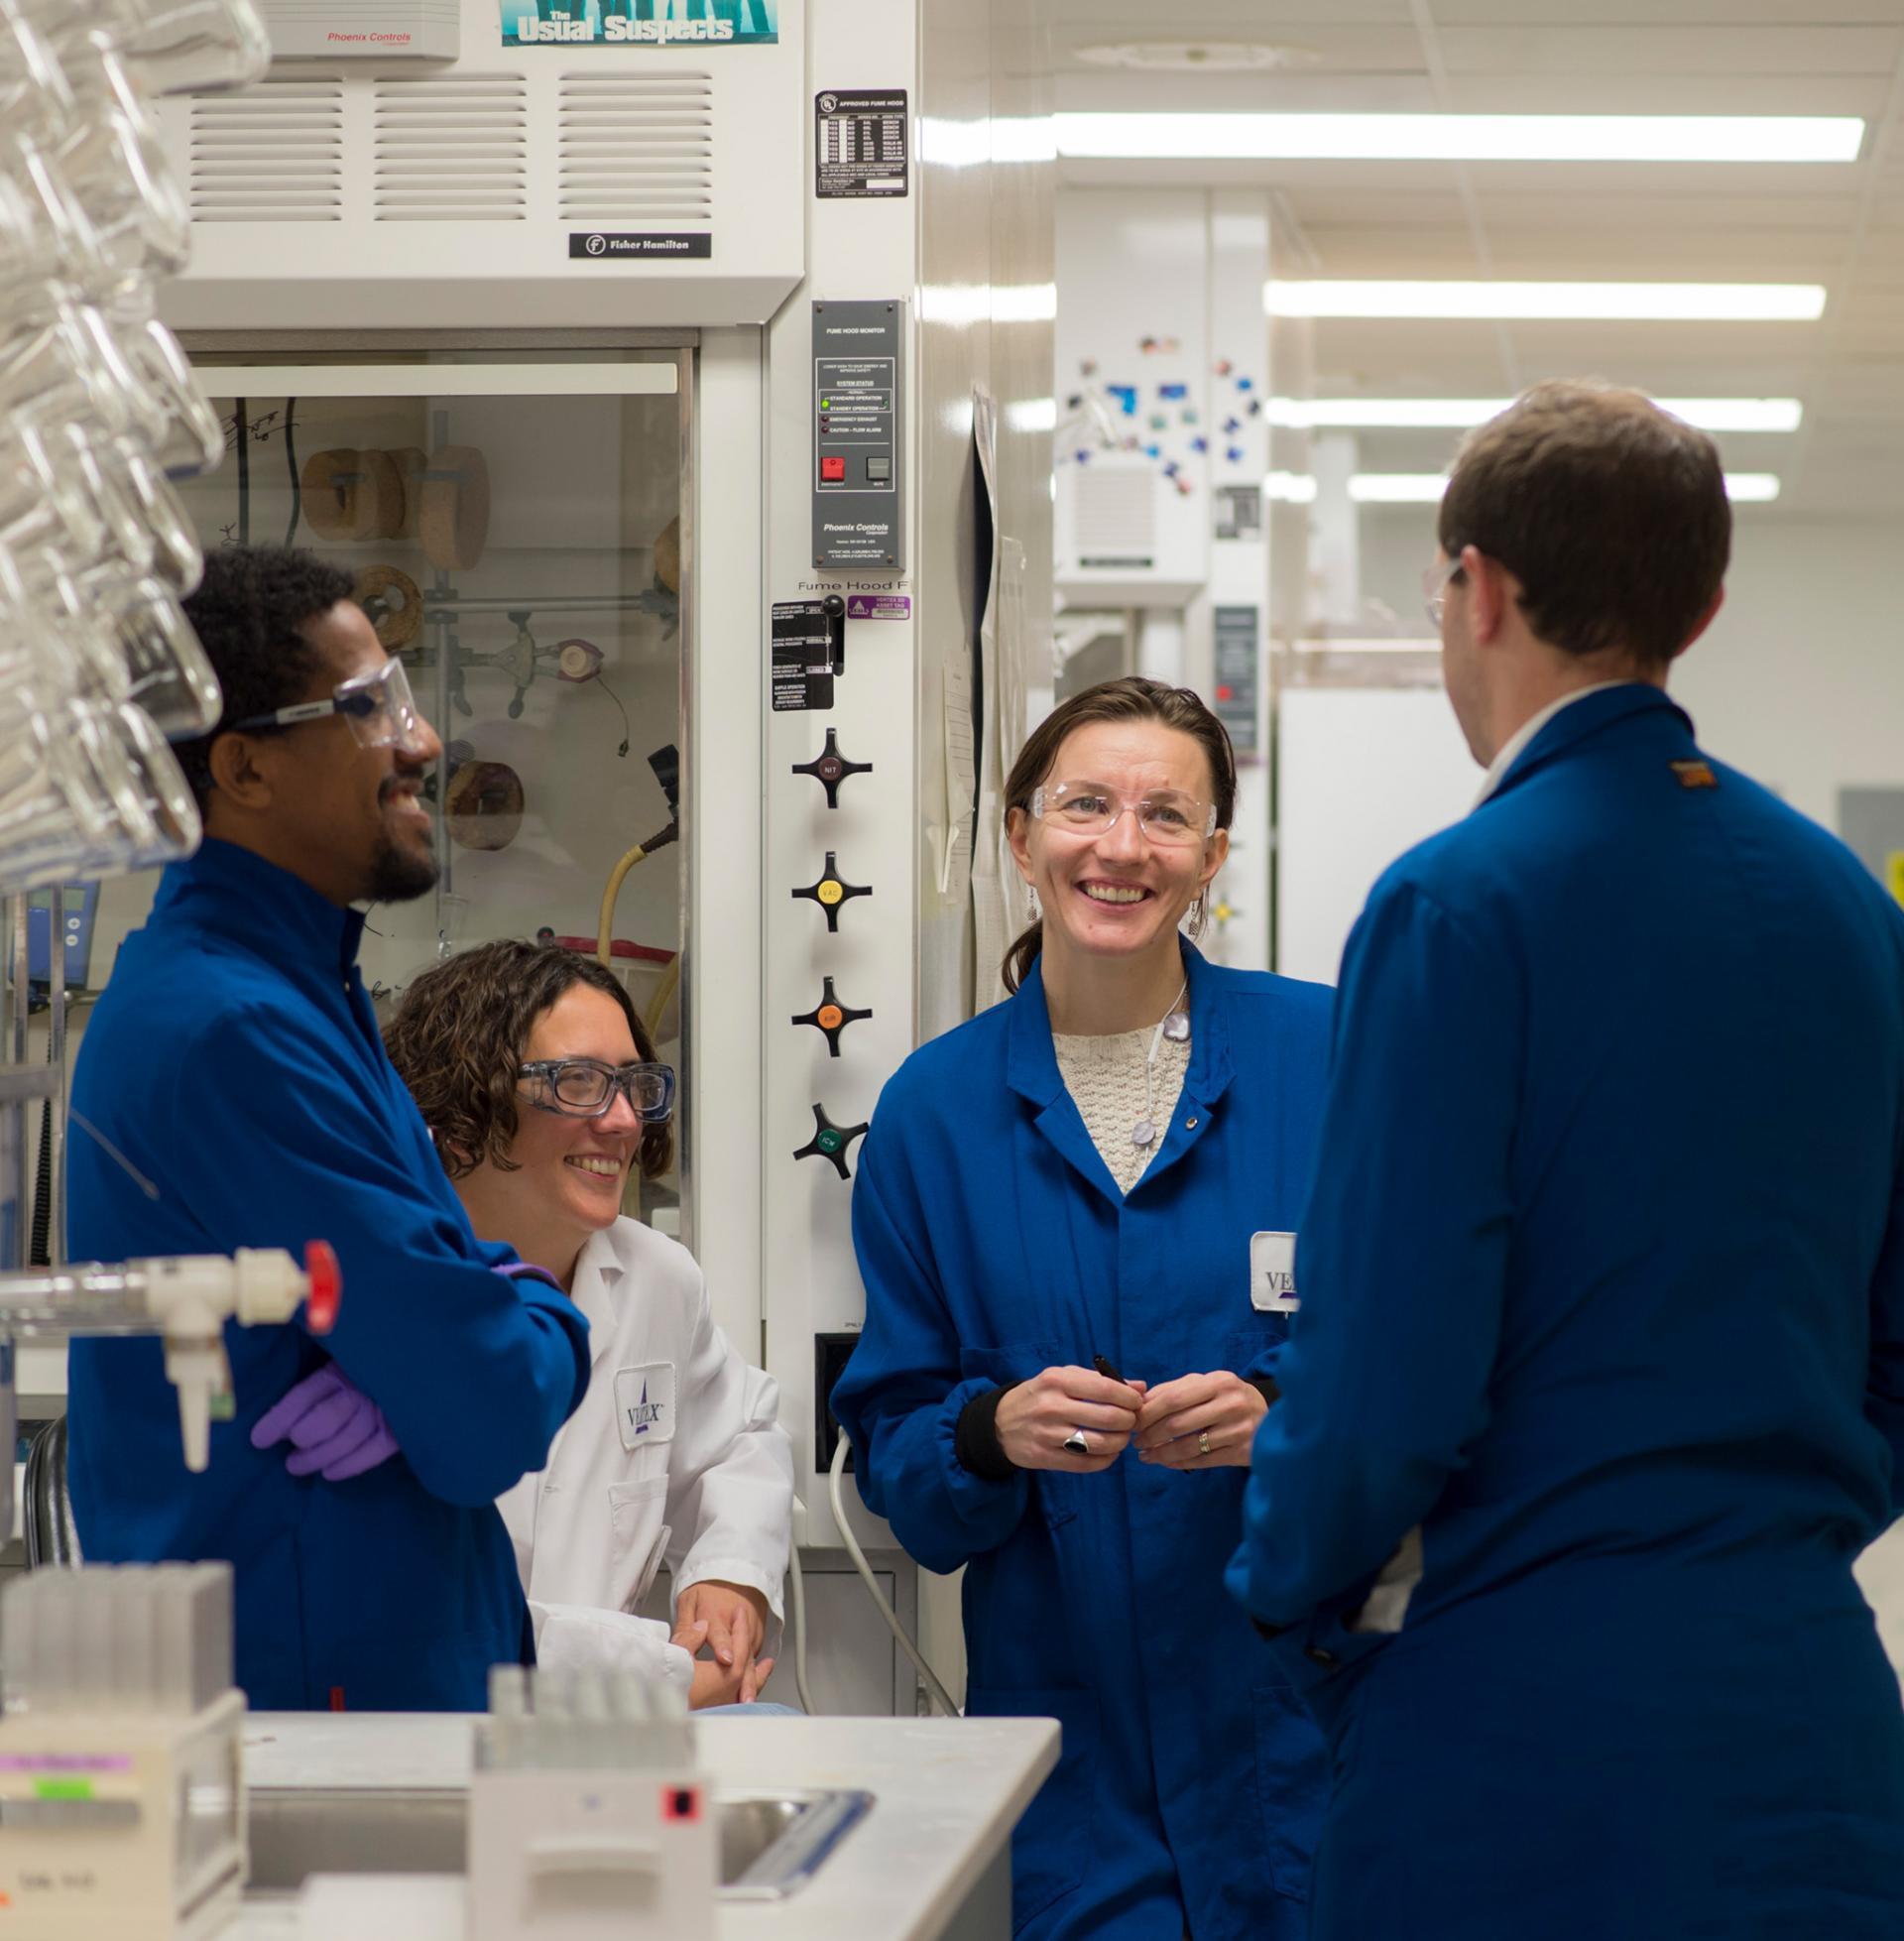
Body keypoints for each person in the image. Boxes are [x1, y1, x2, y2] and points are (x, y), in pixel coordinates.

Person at [1228, 381, 1904, 1938]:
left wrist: (1286, 1586)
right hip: (1811, 1714)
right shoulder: (1848, 911)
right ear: (1706, 606)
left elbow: (1385, 1365)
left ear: (1477, 588)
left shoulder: (1458, 905)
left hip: (1522, 1732)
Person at [831, 677, 1333, 1940]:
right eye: (1085, 805)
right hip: (1071, 1761)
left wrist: (1289, 1408)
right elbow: (895, 1437)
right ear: (1019, 835)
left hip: (1313, 1735)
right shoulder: (933, 1116)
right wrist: (991, 1428)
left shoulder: (1326, 1059)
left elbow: (1440, 1358)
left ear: (1212, 854)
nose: (1121, 845)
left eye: (1166, 815)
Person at [65, 546, 590, 1712]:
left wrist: (458, 1330)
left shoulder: (293, 991)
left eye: (398, 695)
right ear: (243, 765)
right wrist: (541, 1303)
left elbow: (448, 1354)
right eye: (365, 709)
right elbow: (482, 1406)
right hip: (303, 1717)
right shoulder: (234, 1031)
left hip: (336, 1691)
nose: (420, 742)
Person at [384, 939, 795, 1709]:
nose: (622, 1120)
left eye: (634, 1085)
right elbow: (442, 1619)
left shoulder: (654, 1279)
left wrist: (728, 1572)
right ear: (462, 1113)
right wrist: (670, 1674)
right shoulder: (387, 1305)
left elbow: (741, 1437)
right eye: (578, 1082)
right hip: (426, 1738)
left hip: (598, 1752)